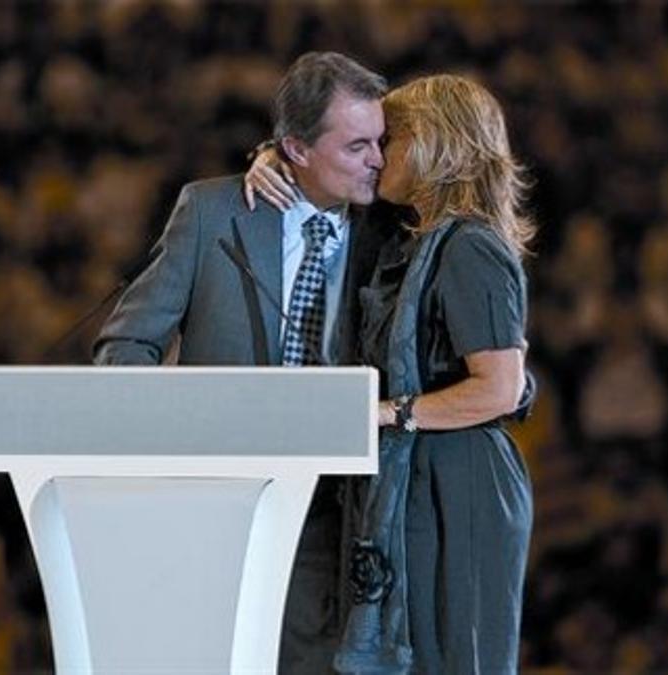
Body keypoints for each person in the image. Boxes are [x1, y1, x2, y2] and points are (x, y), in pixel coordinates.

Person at [93, 52, 389, 673]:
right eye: (358, 145)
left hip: (333, 509)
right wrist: (166, 450)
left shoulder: (389, 232)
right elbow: (126, 343)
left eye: (380, 143)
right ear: (296, 150)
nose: (378, 161)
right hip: (216, 507)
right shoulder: (211, 211)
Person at [246, 74, 534, 674]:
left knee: (455, 655)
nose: (376, 158)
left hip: (459, 481)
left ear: (434, 145)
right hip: (425, 473)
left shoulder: (469, 245)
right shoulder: (416, 240)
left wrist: (388, 412)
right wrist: (275, 159)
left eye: (390, 140)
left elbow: (500, 386)